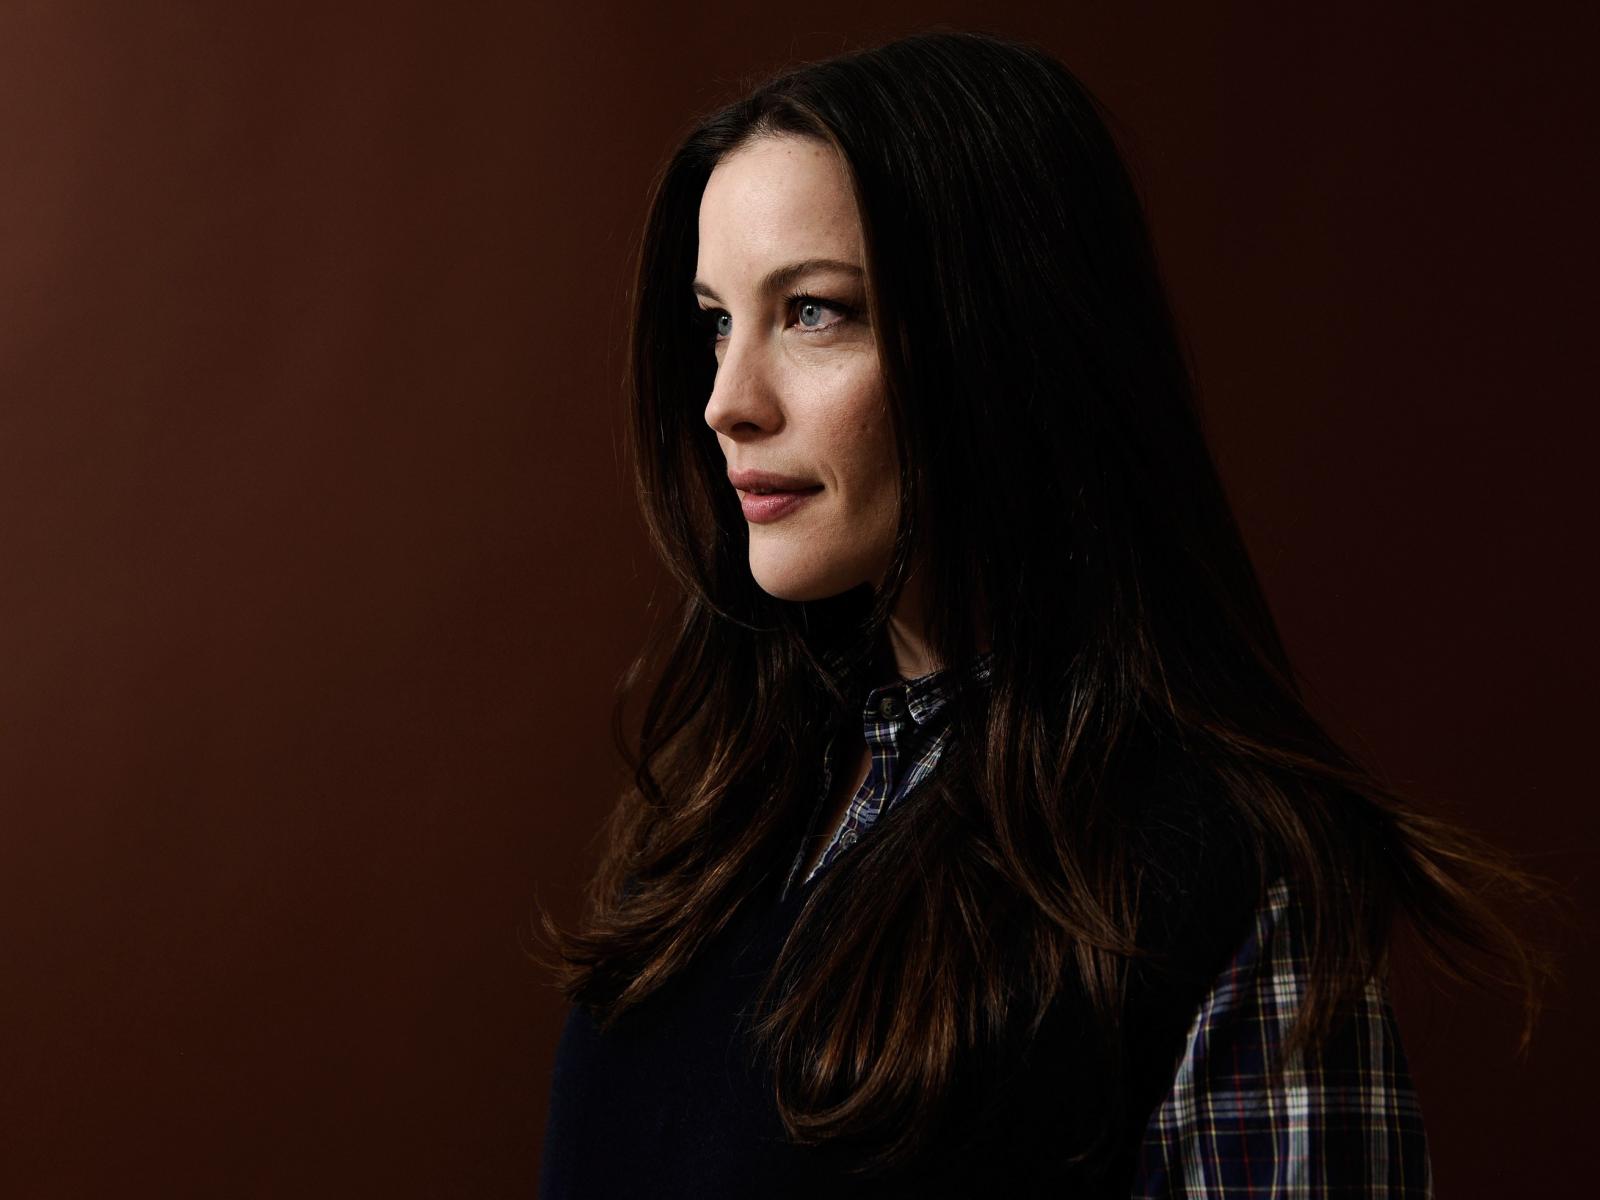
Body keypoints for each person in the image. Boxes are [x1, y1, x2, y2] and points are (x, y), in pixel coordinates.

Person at [533, 29, 1541, 1198]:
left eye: (813, 311)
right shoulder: (728, 816)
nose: (727, 399)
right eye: (715, 319)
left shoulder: (1216, 874)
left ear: (1001, 338)